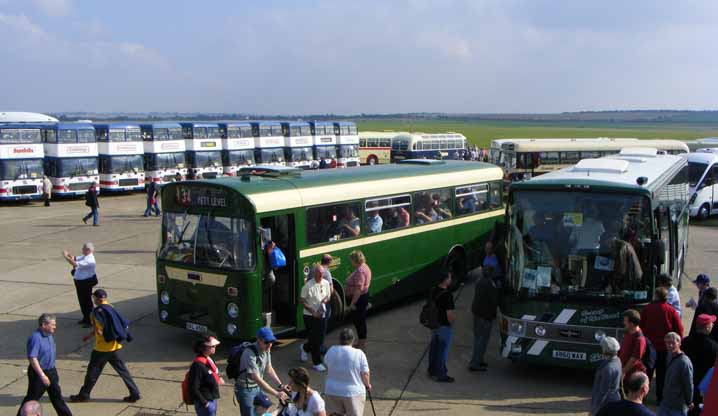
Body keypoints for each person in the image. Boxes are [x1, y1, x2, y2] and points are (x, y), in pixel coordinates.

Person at [70, 289, 141, 403]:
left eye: (94, 298)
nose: (93, 300)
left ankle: (84, 395)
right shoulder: (110, 308)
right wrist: (90, 335)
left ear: (97, 299)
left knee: (92, 372)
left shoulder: (96, 312)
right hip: (114, 346)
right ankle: (135, 393)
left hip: (102, 348)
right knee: (123, 371)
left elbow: (99, 329)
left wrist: (96, 332)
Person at [17, 314, 72, 416]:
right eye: (52, 324)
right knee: (32, 398)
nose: (55, 327)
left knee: (57, 396)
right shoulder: (35, 338)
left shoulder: (49, 334)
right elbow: (32, 358)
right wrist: (42, 376)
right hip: (39, 373)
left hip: (51, 370)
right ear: (44, 325)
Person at [641, 287, 684, 403]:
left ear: (656, 296)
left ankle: (642, 397)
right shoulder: (671, 310)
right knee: (662, 374)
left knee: (647, 372)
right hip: (665, 348)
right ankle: (660, 398)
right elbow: (679, 329)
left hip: (649, 348)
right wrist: (679, 344)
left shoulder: (647, 308)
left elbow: (641, 326)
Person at [234, 327, 289, 416]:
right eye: (266, 342)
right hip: (246, 390)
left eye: (271, 342)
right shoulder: (249, 353)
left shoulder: (266, 349)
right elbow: (257, 378)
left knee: (264, 408)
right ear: (258, 340)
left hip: (257, 387)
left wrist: (280, 385)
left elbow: (269, 368)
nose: (269, 345)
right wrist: (277, 394)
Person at [324, 328, 371, 416]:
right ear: (353, 340)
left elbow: (327, 365)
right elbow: (365, 374)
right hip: (353, 393)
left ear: (340, 340)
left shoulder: (331, 350)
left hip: (332, 391)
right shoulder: (359, 353)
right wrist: (367, 385)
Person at [469, 256, 500, 372]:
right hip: (485, 316)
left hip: (477, 313)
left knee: (478, 338)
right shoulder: (490, 285)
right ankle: (476, 363)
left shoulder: (479, 282)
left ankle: (478, 360)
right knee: (482, 340)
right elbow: (494, 301)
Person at [682, 314, 718, 415]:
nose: (713, 326)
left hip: (686, 383)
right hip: (703, 386)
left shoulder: (685, 342)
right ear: (706, 327)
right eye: (711, 324)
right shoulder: (713, 347)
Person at [300, 264, 331, 372]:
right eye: (319, 273)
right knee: (314, 338)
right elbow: (302, 301)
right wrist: (312, 311)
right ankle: (316, 362)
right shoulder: (308, 286)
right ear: (315, 274)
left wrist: (325, 300)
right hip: (310, 316)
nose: (322, 275)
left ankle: (305, 348)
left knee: (320, 337)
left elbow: (328, 295)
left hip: (322, 314)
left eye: (323, 273)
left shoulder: (326, 283)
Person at [428, 271, 455, 383]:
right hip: (444, 326)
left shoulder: (433, 290)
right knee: (442, 351)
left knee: (434, 349)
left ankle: (432, 370)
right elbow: (449, 314)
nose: (451, 279)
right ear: (445, 280)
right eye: (449, 277)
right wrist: (452, 322)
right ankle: (441, 374)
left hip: (434, 324)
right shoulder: (447, 295)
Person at [62, 242, 97, 327]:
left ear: (88, 250)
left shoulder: (89, 260)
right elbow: (75, 258)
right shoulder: (85, 256)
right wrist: (69, 255)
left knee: (87, 302)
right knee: (82, 301)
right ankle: (85, 318)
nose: (82, 250)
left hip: (85, 283)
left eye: (83, 249)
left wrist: (66, 257)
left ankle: (90, 321)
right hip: (81, 283)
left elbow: (74, 263)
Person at [658, 332, 693, 416]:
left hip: (678, 407)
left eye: (673, 343)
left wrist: (689, 401)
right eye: (667, 343)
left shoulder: (684, 362)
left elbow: (688, 384)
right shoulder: (669, 355)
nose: (670, 345)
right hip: (665, 403)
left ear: (679, 343)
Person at [188, 335, 223, 416]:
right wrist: (205, 403)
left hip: (212, 398)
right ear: (204, 347)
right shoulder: (198, 365)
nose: (215, 348)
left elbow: (213, 373)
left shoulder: (209, 359)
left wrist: (218, 378)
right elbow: (193, 387)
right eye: (212, 346)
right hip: (205, 403)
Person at [345, 250, 371, 350]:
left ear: (355, 260)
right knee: (360, 321)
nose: (350, 262)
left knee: (359, 322)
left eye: (351, 260)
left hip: (359, 300)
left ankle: (362, 344)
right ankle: (361, 342)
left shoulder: (360, 271)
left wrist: (352, 303)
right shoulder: (365, 266)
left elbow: (358, 289)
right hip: (362, 298)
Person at [590, 337, 622, 416]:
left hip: (606, 404)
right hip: (614, 399)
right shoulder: (617, 360)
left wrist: (593, 411)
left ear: (605, 350)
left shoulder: (608, 368)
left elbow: (603, 392)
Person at [620, 309, 647, 383]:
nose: (624, 323)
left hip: (633, 377)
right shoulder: (628, 332)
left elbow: (634, 359)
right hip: (626, 373)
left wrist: (623, 371)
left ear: (631, 323)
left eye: (625, 321)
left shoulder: (639, 339)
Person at [319, 254, 334, 354]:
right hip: (324, 302)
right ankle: (320, 347)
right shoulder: (327, 273)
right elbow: (331, 289)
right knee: (323, 324)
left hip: (314, 301)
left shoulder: (314, 270)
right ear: (329, 262)